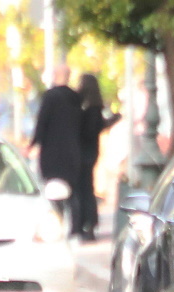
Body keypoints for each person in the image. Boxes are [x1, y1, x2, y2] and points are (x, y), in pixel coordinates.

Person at [30, 64, 83, 238]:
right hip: (73, 151)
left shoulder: (50, 97)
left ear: (56, 75)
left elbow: (42, 123)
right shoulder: (76, 98)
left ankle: (56, 226)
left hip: (52, 152)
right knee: (72, 191)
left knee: (52, 191)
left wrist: (34, 143)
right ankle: (76, 228)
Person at [77, 73, 121, 241]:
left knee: (84, 188)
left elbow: (89, 129)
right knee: (87, 187)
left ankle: (86, 223)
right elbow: (97, 127)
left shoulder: (85, 107)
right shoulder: (94, 107)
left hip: (83, 151)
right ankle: (88, 224)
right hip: (91, 151)